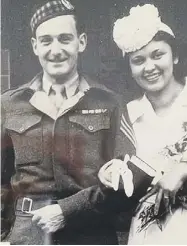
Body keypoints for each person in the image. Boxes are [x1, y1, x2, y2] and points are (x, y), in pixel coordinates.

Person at [98, 4, 187, 244]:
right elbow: (124, 185)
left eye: (158, 55)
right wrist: (109, 174)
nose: (149, 67)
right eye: (138, 60)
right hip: (153, 233)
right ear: (130, 68)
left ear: (174, 55)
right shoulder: (129, 114)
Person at [1, 0, 136, 244]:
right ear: (34, 46)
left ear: (81, 42)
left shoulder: (109, 102)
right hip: (27, 235)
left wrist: (68, 210)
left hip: (91, 233)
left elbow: (128, 178)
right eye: (46, 41)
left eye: (65, 39)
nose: (55, 50)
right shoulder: (9, 104)